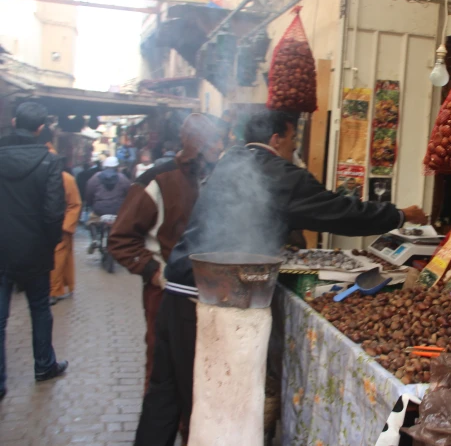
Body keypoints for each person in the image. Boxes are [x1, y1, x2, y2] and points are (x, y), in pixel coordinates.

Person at [134, 108, 427, 446]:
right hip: (209, 300)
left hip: (176, 290)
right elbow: (340, 212)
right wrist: (399, 214)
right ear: (276, 139)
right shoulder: (280, 174)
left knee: (162, 396)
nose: (294, 148)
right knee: (211, 407)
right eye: (292, 139)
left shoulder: (231, 162)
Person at [108, 114, 225, 392]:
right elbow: (120, 238)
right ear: (198, 142)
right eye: (216, 140)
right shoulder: (158, 180)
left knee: (199, 373)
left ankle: (190, 431)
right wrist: (156, 273)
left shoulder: (216, 179)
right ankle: (158, 428)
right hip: (165, 293)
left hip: (207, 292)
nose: (221, 146)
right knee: (163, 368)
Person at [0, 102, 69, 401]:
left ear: (15, 122)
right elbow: (54, 211)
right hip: (35, 250)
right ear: (41, 128)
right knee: (40, 309)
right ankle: (44, 366)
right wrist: (49, 243)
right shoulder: (49, 160)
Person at [38, 127, 83, 305]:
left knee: (57, 261)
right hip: (38, 226)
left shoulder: (66, 179)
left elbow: (75, 204)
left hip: (59, 227)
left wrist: (65, 226)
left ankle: (53, 291)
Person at [85, 156, 131, 252]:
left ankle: (94, 239)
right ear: (116, 166)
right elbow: (129, 193)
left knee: (91, 221)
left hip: (99, 209)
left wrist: (90, 204)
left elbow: (89, 192)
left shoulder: (95, 177)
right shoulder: (122, 178)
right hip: (117, 210)